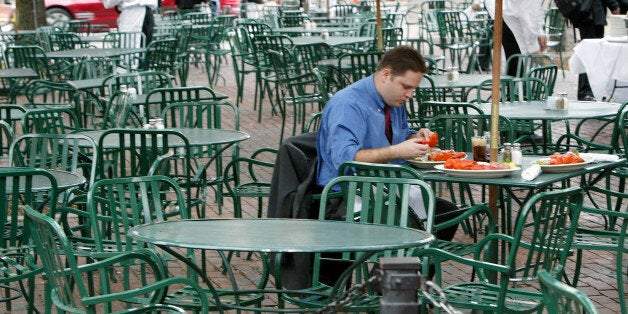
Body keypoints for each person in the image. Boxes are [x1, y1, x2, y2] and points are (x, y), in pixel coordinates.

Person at [316, 46, 459, 242]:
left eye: (413, 89)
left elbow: (399, 137)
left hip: (386, 187)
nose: (410, 95)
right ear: (386, 75)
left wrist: (415, 139)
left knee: (449, 213)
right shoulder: (348, 104)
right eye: (406, 87)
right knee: (415, 225)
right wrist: (397, 151)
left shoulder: (393, 100)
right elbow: (346, 160)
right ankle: (397, 269)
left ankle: (402, 270)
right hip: (348, 194)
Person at [572, 0, 621, 101]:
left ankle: (590, 91)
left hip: (589, 13)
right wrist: (613, 5)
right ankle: (585, 91)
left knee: (592, 53)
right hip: (591, 14)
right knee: (590, 53)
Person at [484, 0, 547, 77]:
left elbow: (534, 10)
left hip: (510, 21)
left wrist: (540, 32)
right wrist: (534, 48)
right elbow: (527, 15)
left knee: (517, 73)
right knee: (519, 74)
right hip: (513, 32)